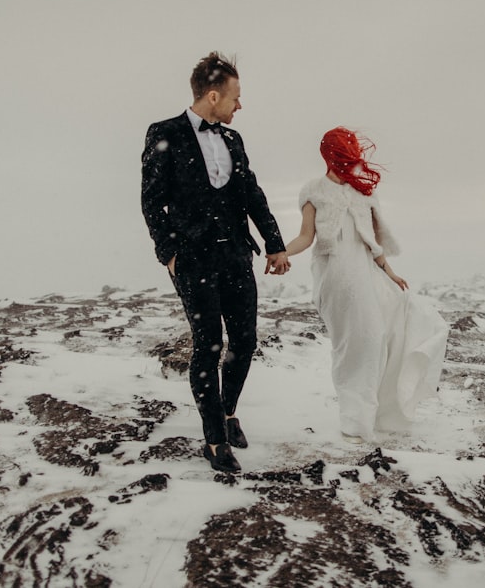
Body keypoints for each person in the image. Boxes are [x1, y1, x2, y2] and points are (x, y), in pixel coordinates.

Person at [141, 52, 289, 472]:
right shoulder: (163, 133)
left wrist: (274, 243)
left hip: (236, 255)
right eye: (235, 97)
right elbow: (151, 201)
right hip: (192, 260)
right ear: (212, 95)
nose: (239, 105)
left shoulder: (233, 140)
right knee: (207, 346)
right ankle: (213, 439)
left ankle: (227, 412)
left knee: (244, 342)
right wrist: (168, 254)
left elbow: (252, 195)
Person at [284, 127, 449, 443]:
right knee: (354, 345)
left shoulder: (364, 194)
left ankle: (377, 414)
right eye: (344, 154)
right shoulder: (313, 191)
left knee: (388, 332)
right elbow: (306, 237)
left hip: (367, 274)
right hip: (335, 277)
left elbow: (374, 244)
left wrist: (390, 271)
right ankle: (355, 420)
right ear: (330, 156)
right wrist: (280, 252)